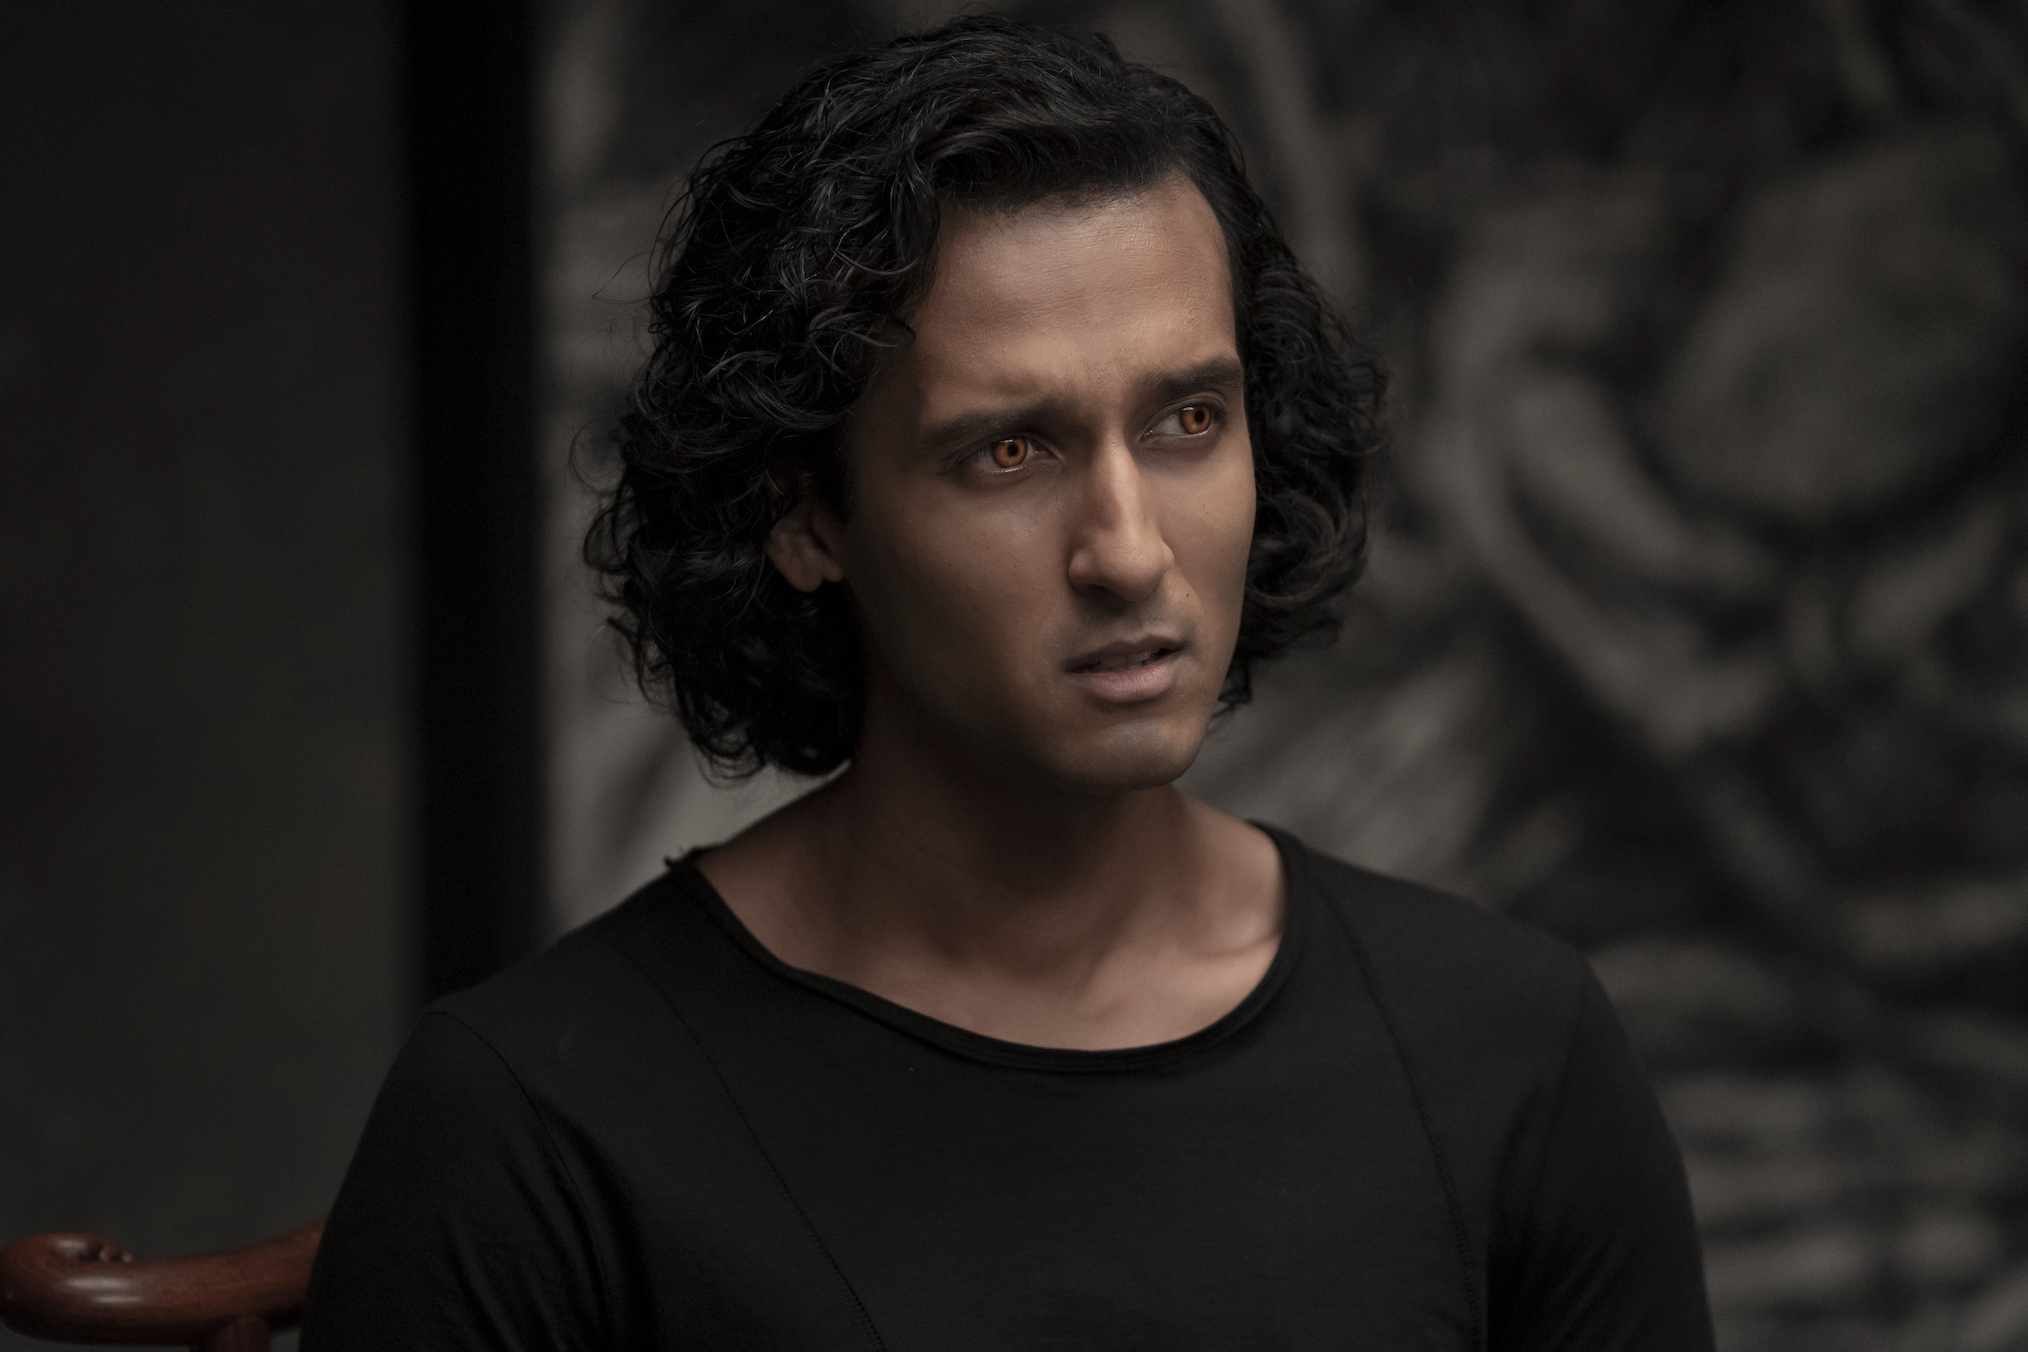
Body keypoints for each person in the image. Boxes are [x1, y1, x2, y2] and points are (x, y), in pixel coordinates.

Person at [303, 16, 1711, 1350]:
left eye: (1188, 419)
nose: (1128, 549)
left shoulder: (1510, 1055)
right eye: (1010, 452)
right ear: (805, 513)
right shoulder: (536, 1124)